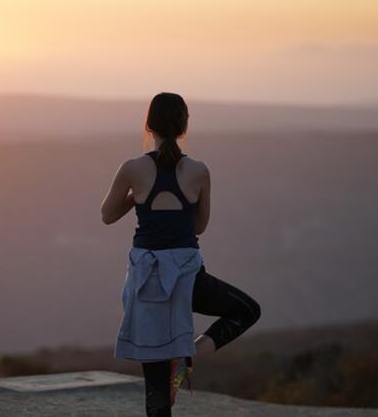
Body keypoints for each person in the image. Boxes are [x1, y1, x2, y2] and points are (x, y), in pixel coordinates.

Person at [100, 92, 262, 417]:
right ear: (183, 126)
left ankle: (179, 357)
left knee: (157, 398)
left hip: (147, 284)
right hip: (188, 279)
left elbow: (107, 214)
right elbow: (199, 227)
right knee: (246, 310)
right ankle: (188, 354)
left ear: (148, 125)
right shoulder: (199, 171)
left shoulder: (132, 168)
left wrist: (136, 197)